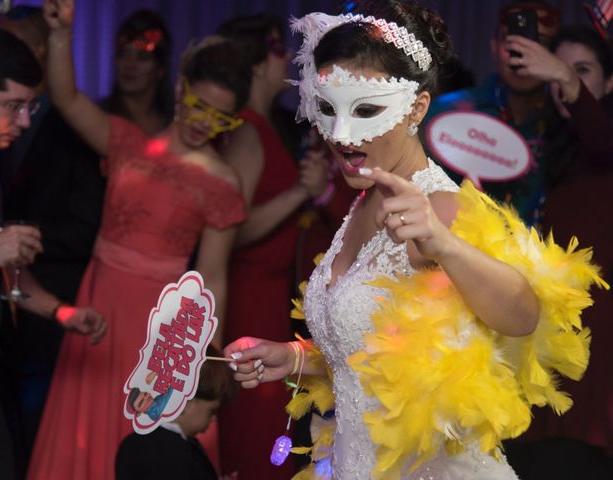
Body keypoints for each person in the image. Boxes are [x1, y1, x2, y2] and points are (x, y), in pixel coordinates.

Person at [224, 1, 605, 479]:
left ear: (416, 107)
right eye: (327, 108)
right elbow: (374, 357)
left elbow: (524, 315)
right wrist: (293, 356)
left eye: (365, 109)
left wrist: (443, 244)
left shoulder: (442, 206)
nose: (341, 135)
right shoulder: (364, 199)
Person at [27, 1, 251, 479]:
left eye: (219, 118)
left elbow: (212, 276)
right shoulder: (128, 141)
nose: (202, 122)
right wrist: (63, 33)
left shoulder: (222, 182)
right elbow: (66, 98)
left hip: (160, 326)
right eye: (197, 105)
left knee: (150, 438)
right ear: (178, 87)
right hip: (100, 306)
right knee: (85, 430)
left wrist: (204, 363)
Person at [0, 26, 106, 480]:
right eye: (12, 106)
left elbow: (2, 275)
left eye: (30, 107)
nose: (26, 121)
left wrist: (61, 312)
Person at [215, 13, 329, 479]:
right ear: (260, 64)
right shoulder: (246, 130)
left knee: (268, 417)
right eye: (280, 52)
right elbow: (232, 229)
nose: (290, 61)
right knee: (256, 418)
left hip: (270, 288)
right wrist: (301, 193)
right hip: (250, 293)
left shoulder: (267, 125)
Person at [501, 25, 613, 473]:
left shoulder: (603, 144)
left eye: (582, 71)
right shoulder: (551, 147)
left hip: (597, 346)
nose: (568, 82)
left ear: (609, 82)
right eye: (561, 74)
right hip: (546, 333)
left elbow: (602, 143)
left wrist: (566, 81)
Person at [424, 0, 561, 227]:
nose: (522, 56)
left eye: (538, 44)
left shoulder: (565, 124)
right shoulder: (446, 113)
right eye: (513, 43)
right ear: (494, 48)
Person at [116, 347, 236, 480]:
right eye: (211, 411)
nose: (214, 418)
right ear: (185, 403)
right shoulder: (169, 453)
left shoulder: (134, 443)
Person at [101, 9, 173, 136]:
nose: (129, 65)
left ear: (160, 69)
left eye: (142, 57)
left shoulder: (175, 121)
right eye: (123, 55)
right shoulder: (99, 116)